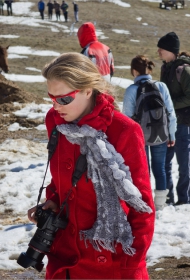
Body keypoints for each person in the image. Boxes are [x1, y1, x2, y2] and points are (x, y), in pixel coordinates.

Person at [27, 52, 155, 279]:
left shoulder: (123, 131)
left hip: (112, 263)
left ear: (88, 90)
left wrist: (131, 263)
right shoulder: (56, 122)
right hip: (65, 260)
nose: (56, 106)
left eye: (64, 98)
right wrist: (53, 201)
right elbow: (60, 181)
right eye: (51, 97)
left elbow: (141, 205)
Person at [123, 55, 177, 210]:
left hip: (139, 136)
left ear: (134, 70)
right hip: (160, 134)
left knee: (142, 169)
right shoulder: (162, 86)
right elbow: (170, 113)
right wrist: (171, 135)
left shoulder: (132, 90)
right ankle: (160, 204)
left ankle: (144, 202)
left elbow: (127, 118)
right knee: (159, 168)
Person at [157, 32, 190, 205]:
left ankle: (184, 199)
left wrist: (170, 105)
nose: (158, 52)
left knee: (184, 165)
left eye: (161, 48)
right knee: (165, 162)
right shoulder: (165, 68)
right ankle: (168, 198)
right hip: (167, 124)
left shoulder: (183, 70)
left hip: (183, 124)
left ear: (170, 50)